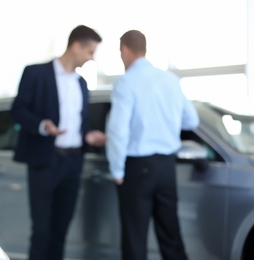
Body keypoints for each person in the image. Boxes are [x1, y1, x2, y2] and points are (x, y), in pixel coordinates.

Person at [10, 25, 107, 260]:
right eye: (90, 52)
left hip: (73, 162)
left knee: (60, 230)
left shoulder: (81, 84)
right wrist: (44, 125)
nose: (91, 58)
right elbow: (18, 111)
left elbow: (80, 124)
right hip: (46, 161)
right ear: (76, 45)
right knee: (42, 231)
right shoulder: (35, 73)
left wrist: (89, 135)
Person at [106, 30, 199, 260]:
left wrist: (117, 170)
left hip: (137, 168)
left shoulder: (126, 82)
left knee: (135, 236)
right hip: (166, 167)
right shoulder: (170, 79)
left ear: (125, 49)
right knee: (170, 233)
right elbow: (192, 120)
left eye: (120, 52)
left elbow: (118, 130)